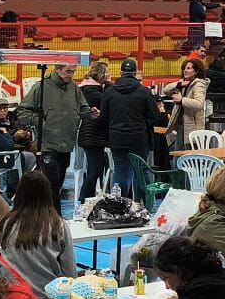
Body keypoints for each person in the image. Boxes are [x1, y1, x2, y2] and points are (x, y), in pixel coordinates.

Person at [16, 56, 83, 201]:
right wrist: (41, 121)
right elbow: (22, 111)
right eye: (68, 72)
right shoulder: (41, 87)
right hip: (47, 144)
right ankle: (54, 218)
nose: (71, 75)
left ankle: (54, 218)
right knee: (51, 187)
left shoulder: (74, 88)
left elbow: (83, 107)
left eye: (73, 72)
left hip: (67, 144)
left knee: (57, 185)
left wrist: (89, 113)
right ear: (57, 69)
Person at [100, 58, 161, 195]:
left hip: (116, 138)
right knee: (142, 170)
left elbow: (103, 117)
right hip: (138, 138)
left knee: (120, 170)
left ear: (120, 73)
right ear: (135, 74)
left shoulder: (110, 92)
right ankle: (146, 203)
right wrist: (142, 124)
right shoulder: (144, 92)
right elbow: (155, 116)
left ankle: (122, 205)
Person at [76, 61, 111, 200]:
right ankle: (83, 201)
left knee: (96, 169)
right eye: (107, 73)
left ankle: (88, 200)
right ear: (101, 74)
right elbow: (107, 101)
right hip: (91, 136)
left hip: (95, 135)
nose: (110, 75)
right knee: (94, 171)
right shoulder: (90, 90)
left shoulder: (93, 88)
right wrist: (108, 84)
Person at [165, 58, 210, 147]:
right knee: (178, 155)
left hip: (192, 127)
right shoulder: (183, 83)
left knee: (189, 155)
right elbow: (165, 90)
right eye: (184, 68)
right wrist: (179, 84)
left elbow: (199, 103)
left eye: (188, 68)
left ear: (196, 71)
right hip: (180, 126)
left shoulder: (199, 84)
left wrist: (182, 100)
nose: (185, 70)